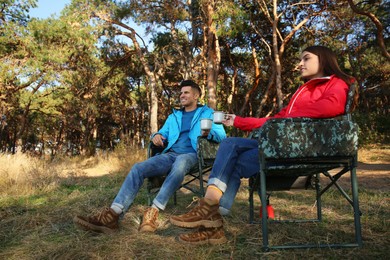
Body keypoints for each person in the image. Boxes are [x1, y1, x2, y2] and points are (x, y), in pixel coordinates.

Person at [169, 45, 358, 245]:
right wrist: (237, 121)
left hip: (305, 150)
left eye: (306, 58)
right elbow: (276, 119)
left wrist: (284, 121)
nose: (300, 64)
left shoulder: (337, 82)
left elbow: (331, 106)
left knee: (231, 151)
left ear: (324, 59)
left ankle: (208, 213)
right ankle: (211, 221)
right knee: (231, 150)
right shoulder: (302, 91)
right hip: (283, 148)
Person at [73, 80, 226, 234]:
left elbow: (221, 135)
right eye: (180, 93)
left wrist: (208, 133)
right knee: (138, 168)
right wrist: (156, 136)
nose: (182, 95)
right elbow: (162, 132)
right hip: (170, 154)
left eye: (186, 92)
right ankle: (113, 215)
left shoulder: (208, 113)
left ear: (196, 95)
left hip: (193, 154)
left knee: (181, 162)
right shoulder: (174, 116)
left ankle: (153, 211)